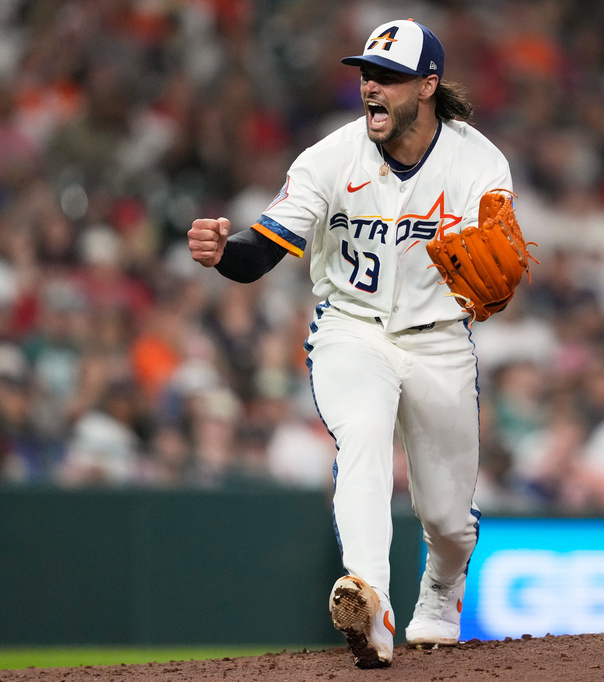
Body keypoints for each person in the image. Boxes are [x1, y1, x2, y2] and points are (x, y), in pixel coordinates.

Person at [187, 19, 513, 668]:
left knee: (447, 519)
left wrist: (495, 275)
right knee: (360, 435)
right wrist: (227, 254)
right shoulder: (329, 158)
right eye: (366, 73)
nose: (371, 87)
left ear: (427, 86)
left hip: (441, 342)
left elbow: (498, 269)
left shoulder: (478, 162)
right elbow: (264, 249)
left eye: (388, 77)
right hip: (351, 328)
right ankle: (369, 598)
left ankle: (442, 588)